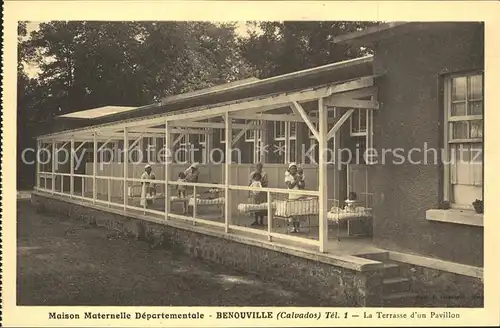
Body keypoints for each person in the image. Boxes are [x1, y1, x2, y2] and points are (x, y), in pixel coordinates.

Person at [284, 163, 305, 233]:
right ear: (289, 170)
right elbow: (290, 186)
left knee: (298, 212)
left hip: (299, 196)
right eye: (292, 168)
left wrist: (300, 180)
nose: (293, 170)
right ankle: (293, 227)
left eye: (295, 168)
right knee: (292, 213)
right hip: (292, 196)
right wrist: (296, 180)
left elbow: (302, 186)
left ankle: (298, 227)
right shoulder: (287, 177)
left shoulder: (299, 176)